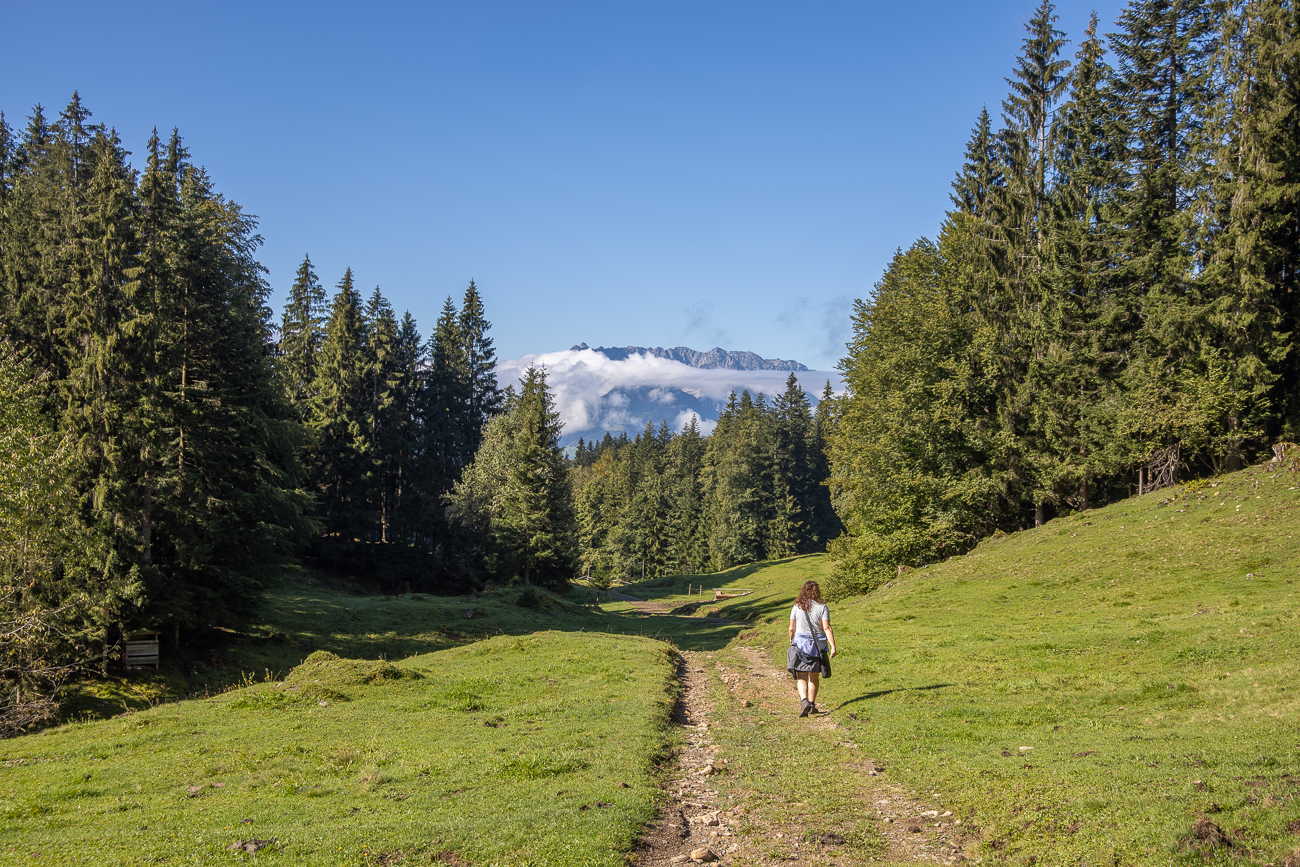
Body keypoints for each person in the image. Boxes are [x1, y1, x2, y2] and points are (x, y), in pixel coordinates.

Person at [786, 580, 836, 717]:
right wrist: (832, 646)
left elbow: (792, 628)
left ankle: (804, 701)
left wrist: (791, 640)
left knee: (801, 675)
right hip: (817, 646)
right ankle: (812, 704)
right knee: (813, 676)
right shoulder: (822, 607)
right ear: (817, 591)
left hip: (800, 644)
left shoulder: (796, 607)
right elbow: (826, 627)